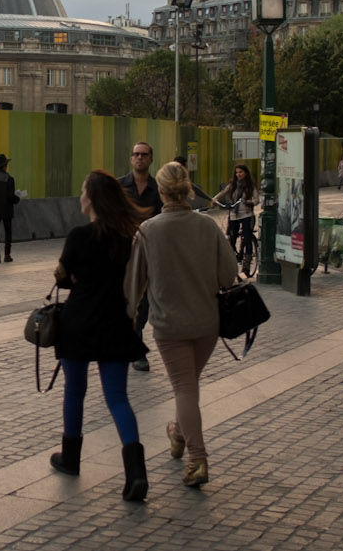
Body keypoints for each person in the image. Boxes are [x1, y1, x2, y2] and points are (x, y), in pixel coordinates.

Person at [125, 160, 236, 489]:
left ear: (160, 192)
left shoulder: (148, 231)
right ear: (188, 189)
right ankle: (177, 433)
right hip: (207, 323)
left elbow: (133, 286)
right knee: (188, 386)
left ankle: (197, 459)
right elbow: (228, 275)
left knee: (185, 388)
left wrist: (127, 319)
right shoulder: (207, 227)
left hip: (170, 325)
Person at [48, 169, 150, 502]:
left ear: (92, 198)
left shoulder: (78, 236)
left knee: (74, 392)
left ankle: (71, 458)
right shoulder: (128, 238)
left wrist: (69, 275)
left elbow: (62, 274)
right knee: (118, 397)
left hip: (77, 324)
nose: (80, 196)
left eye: (82, 191)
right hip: (115, 324)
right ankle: (135, 472)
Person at [119, 141, 163, 373]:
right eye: (136, 154)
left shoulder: (158, 189)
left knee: (144, 303)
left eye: (144, 154)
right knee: (123, 300)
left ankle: (135, 342)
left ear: (151, 159)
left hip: (148, 253)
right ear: (131, 158)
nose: (139, 158)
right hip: (123, 252)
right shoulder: (120, 186)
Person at [213, 164, 260, 262]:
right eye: (237, 172)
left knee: (247, 237)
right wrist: (215, 199)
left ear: (246, 173)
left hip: (247, 214)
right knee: (232, 237)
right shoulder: (232, 185)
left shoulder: (250, 185)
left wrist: (249, 202)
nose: (238, 174)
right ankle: (233, 256)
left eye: (241, 172)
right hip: (234, 214)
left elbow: (256, 200)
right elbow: (223, 192)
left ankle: (247, 259)